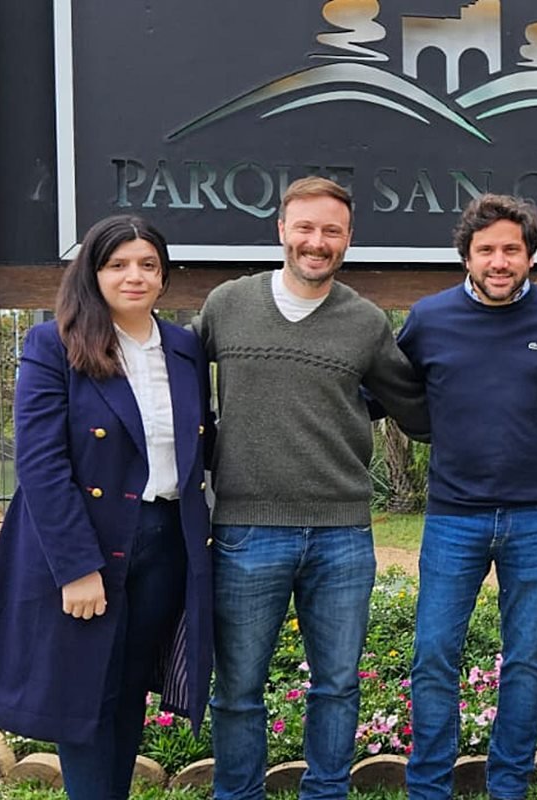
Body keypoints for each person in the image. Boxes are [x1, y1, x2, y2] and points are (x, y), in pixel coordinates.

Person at [0, 215, 215, 800]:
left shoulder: (186, 348)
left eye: (147, 264)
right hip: (90, 544)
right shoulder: (56, 344)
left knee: (125, 691)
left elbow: (200, 446)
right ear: (92, 274)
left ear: (164, 276)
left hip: (167, 540)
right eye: (117, 264)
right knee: (85, 698)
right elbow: (41, 464)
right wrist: (75, 567)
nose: (134, 276)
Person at [195, 176, 429, 800]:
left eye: (331, 231)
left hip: (342, 535)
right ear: (281, 230)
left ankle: (326, 792)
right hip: (246, 530)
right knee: (239, 687)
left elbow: (416, 406)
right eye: (305, 228)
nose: (316, 242)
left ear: (348, 240)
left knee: (337, 684)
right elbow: (174, 388)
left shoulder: (365, 322)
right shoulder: (226, 306)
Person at [397, 194, 537, 800]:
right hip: (454, 516)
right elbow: (392, 393)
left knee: (527, 658)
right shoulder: (429, 319)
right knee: (434, 655)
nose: (499, 260)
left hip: (536, 517)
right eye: (487, 250)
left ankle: (509, 783)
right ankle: (428, 786)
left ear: (530, 256)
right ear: (467, 256)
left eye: (512, 249)